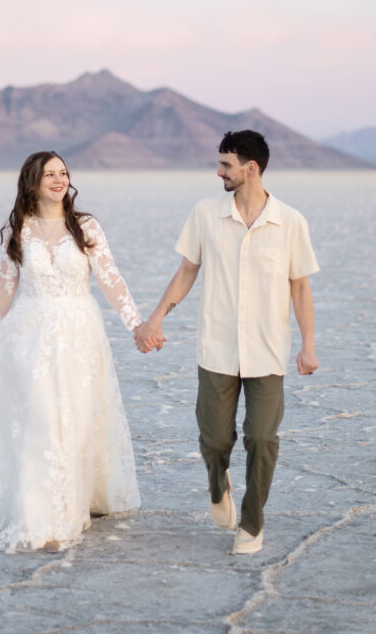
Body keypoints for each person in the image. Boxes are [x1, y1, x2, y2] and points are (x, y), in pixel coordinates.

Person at [0, 150, 142, 553]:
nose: (58, 179)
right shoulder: (21, 228)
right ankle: (40, 512)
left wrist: (137, 324)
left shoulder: (85, 226)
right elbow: (5, 285)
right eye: (49, 173)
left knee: (77, 418)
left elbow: (109, 277)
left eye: (63, 172)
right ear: (32, 181)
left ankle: (75, 497)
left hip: (78, 334)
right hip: (28, 336)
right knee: (41, 419)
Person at [134, 130, 319, 555]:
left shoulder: (290, 222)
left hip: (267, 351)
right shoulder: (205, 214)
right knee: (215, 439)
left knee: (262, 439)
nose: (218, 172)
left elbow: (301, 288)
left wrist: (308, 344)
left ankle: (252, 523)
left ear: (250, 169)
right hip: (216, 349)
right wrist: (155, 318)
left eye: (226, 165)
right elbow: (186, 271)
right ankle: (219, 485)